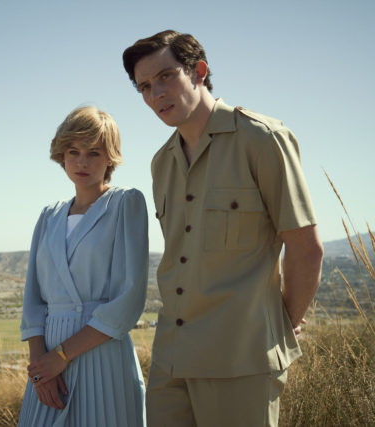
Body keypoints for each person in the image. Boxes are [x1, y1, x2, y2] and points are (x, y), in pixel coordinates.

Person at [122, 30, 324, 426]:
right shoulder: (161, 164)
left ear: (198, 71)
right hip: (171, 361)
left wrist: (277, 330)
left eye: (165, 77)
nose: (155, 94)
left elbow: (306, 248)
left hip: (242, 360)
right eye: (145, 87)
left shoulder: (262, 139)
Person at [17, 106, 148, 427]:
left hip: (101, 352)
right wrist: (41, 368)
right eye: (73, 151)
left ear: (110, 157)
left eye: (93, 152)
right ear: (61, 155)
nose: (81, 162)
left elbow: (129, 299)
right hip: (46, 360)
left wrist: (61, 356)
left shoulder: (125, 203)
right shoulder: (49, 214)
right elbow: (33, 300)